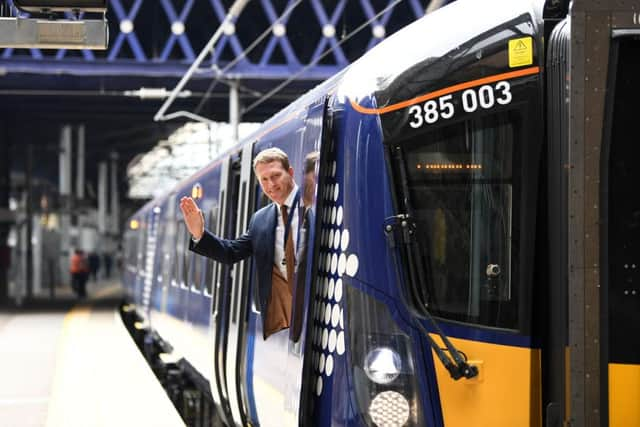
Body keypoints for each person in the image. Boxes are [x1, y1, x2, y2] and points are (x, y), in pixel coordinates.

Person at [180, 147, 300, 339]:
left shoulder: (315, 206)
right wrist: (199, 233)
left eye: (276, 175)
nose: (271, 184)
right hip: (284, 322)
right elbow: (230, 253)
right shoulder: (261, 219)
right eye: (264, 180)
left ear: (291, 172)